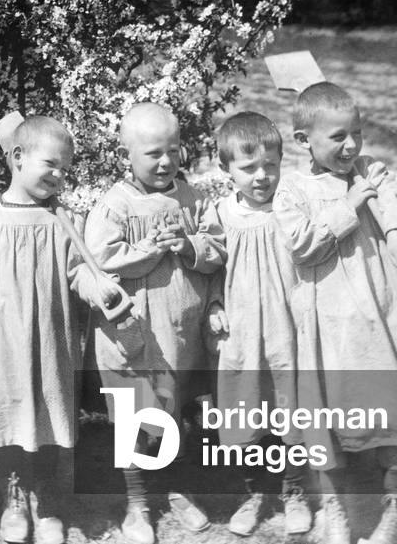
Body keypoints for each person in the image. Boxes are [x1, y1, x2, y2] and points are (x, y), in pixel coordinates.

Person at [272, 82, 397, 544]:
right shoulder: (291, 189)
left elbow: (393, 199)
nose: (350, 145)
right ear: (302, 139)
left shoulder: (370, 171)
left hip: (381, 315)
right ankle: (337, 511)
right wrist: (347, 209)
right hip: (327, 326)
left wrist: (396, 230)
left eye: (356, 132)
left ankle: (396, 505)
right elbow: (302, 246)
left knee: (391, 405)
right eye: (337, 137)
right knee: (327, 419)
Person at [0, 115, 120, 544]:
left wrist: (98, 289)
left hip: (50, 346)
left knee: (47, 423)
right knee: (7, 422)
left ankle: (49, 501)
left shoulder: (64, 221)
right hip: (1, 346)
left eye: (65, 168)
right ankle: (15, 497)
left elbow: (79, 271)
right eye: (51, 164)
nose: (59, 175)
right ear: (18, 157)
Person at [83, 102, 225, 544]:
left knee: (173, 413)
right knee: (135, 419)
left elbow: (219, 251)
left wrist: (187, 246)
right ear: (126, 153)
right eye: (152, 153)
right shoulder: (114, 206)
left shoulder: (195, 199)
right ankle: (138, 504)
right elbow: (99, 260)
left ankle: (173, 488)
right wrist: (148, 248)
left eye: (174, 150)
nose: (166, 161)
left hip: (180, 336)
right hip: (136, 337)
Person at [206, 111, 311, 537]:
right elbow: (211, 269)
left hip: (289, 332)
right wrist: (214, 303)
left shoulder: (291, 209)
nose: (262, 176)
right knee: (245, 414)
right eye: (248, 168)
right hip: (243, 336)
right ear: (226, 168)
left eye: (271, 165)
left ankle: (294, 492)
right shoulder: (222, 214)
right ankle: (255, 494)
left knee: (292, 412)